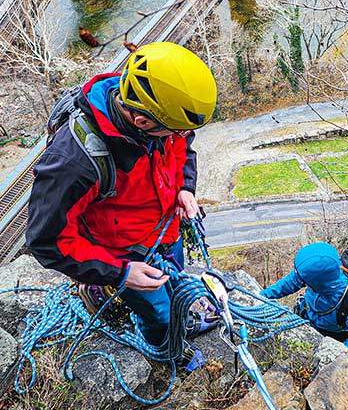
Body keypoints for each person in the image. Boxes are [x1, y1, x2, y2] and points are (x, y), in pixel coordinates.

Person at [26, 41, 218, 348]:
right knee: (161, 317)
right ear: (142, 122)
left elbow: (182, 148)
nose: (182, 135)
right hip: (120, 254)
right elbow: (46, 240)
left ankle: (108, 290)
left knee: (175, 282)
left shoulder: (159, 113)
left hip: (164, 231)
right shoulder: (76, 161)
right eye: (176, 130)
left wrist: (185, 186)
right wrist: (119, 273)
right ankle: (162, 348)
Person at [261, 242, 348, 354]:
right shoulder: (318, 277)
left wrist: (331, 354)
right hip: (305, 317)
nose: (300, 281)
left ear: (318, 283)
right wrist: (262, 296)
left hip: (328, 337)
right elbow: (291, 282)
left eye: (304, 280)